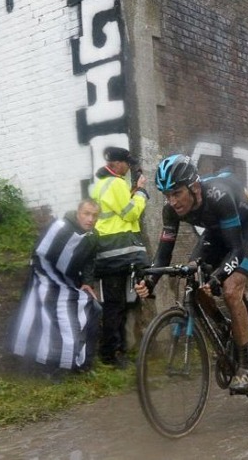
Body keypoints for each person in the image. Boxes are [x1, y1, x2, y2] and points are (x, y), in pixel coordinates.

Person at [133, 154, 248, 394]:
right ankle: (224, 327)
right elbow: (163, 254)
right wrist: (149, 281)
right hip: (216, 231)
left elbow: (235, 249)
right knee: (192, 281)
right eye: (167, 195)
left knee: (231, 291)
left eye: (176, 193)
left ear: (194, 187)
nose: (172, 202)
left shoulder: (218, 196)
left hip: (244, 231)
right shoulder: (170, 210)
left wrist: (218, 278)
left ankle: (244, 367)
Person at [10, 199, 102, 373]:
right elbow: (40, 255)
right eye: (87, 214)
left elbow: (90, 261)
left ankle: (84, 364)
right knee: (53, 319)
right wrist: (51, 281)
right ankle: (52, 367)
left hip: (71, 285)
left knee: (95, 309)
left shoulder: (93, 236)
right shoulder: (59, 228)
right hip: (48, 283)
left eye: (94, 216)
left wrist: (87, 283)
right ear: (78, 213)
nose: (90, 219)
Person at [89, 146, 149, 368]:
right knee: (115, 305)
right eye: (126, 163)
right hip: (117, 252)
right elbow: (130, 212)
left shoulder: (102, 184)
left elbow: (116, 211)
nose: (128, 167)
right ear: (116, 164)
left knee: (117, 303)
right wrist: (141, 193)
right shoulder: (115, 183)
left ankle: (117, 349)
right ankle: (111, 354)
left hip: (109, 252)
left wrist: (132, 193)